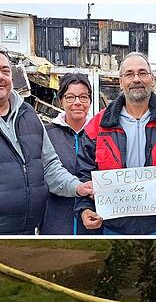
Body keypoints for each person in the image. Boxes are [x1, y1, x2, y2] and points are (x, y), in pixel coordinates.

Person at [0, 45, 93, 235]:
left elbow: (49, 167)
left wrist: (77, 187)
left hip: (26, 233)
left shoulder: (29, 115)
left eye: (5, 70)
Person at [75, 52, 156, 235]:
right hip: (113, 227)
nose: (136, 79)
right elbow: (84, 173)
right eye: (129, 74)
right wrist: (84, 208)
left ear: (151, 79)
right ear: (120, 82)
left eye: (142, 73)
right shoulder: (98, 125)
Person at [41, 73, 101, 235]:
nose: (77, 103)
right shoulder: (46, 134)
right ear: (61, 100)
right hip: (55, 222)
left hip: (94, 222)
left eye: (83, 97)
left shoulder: (102, 134)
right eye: (70, 97)